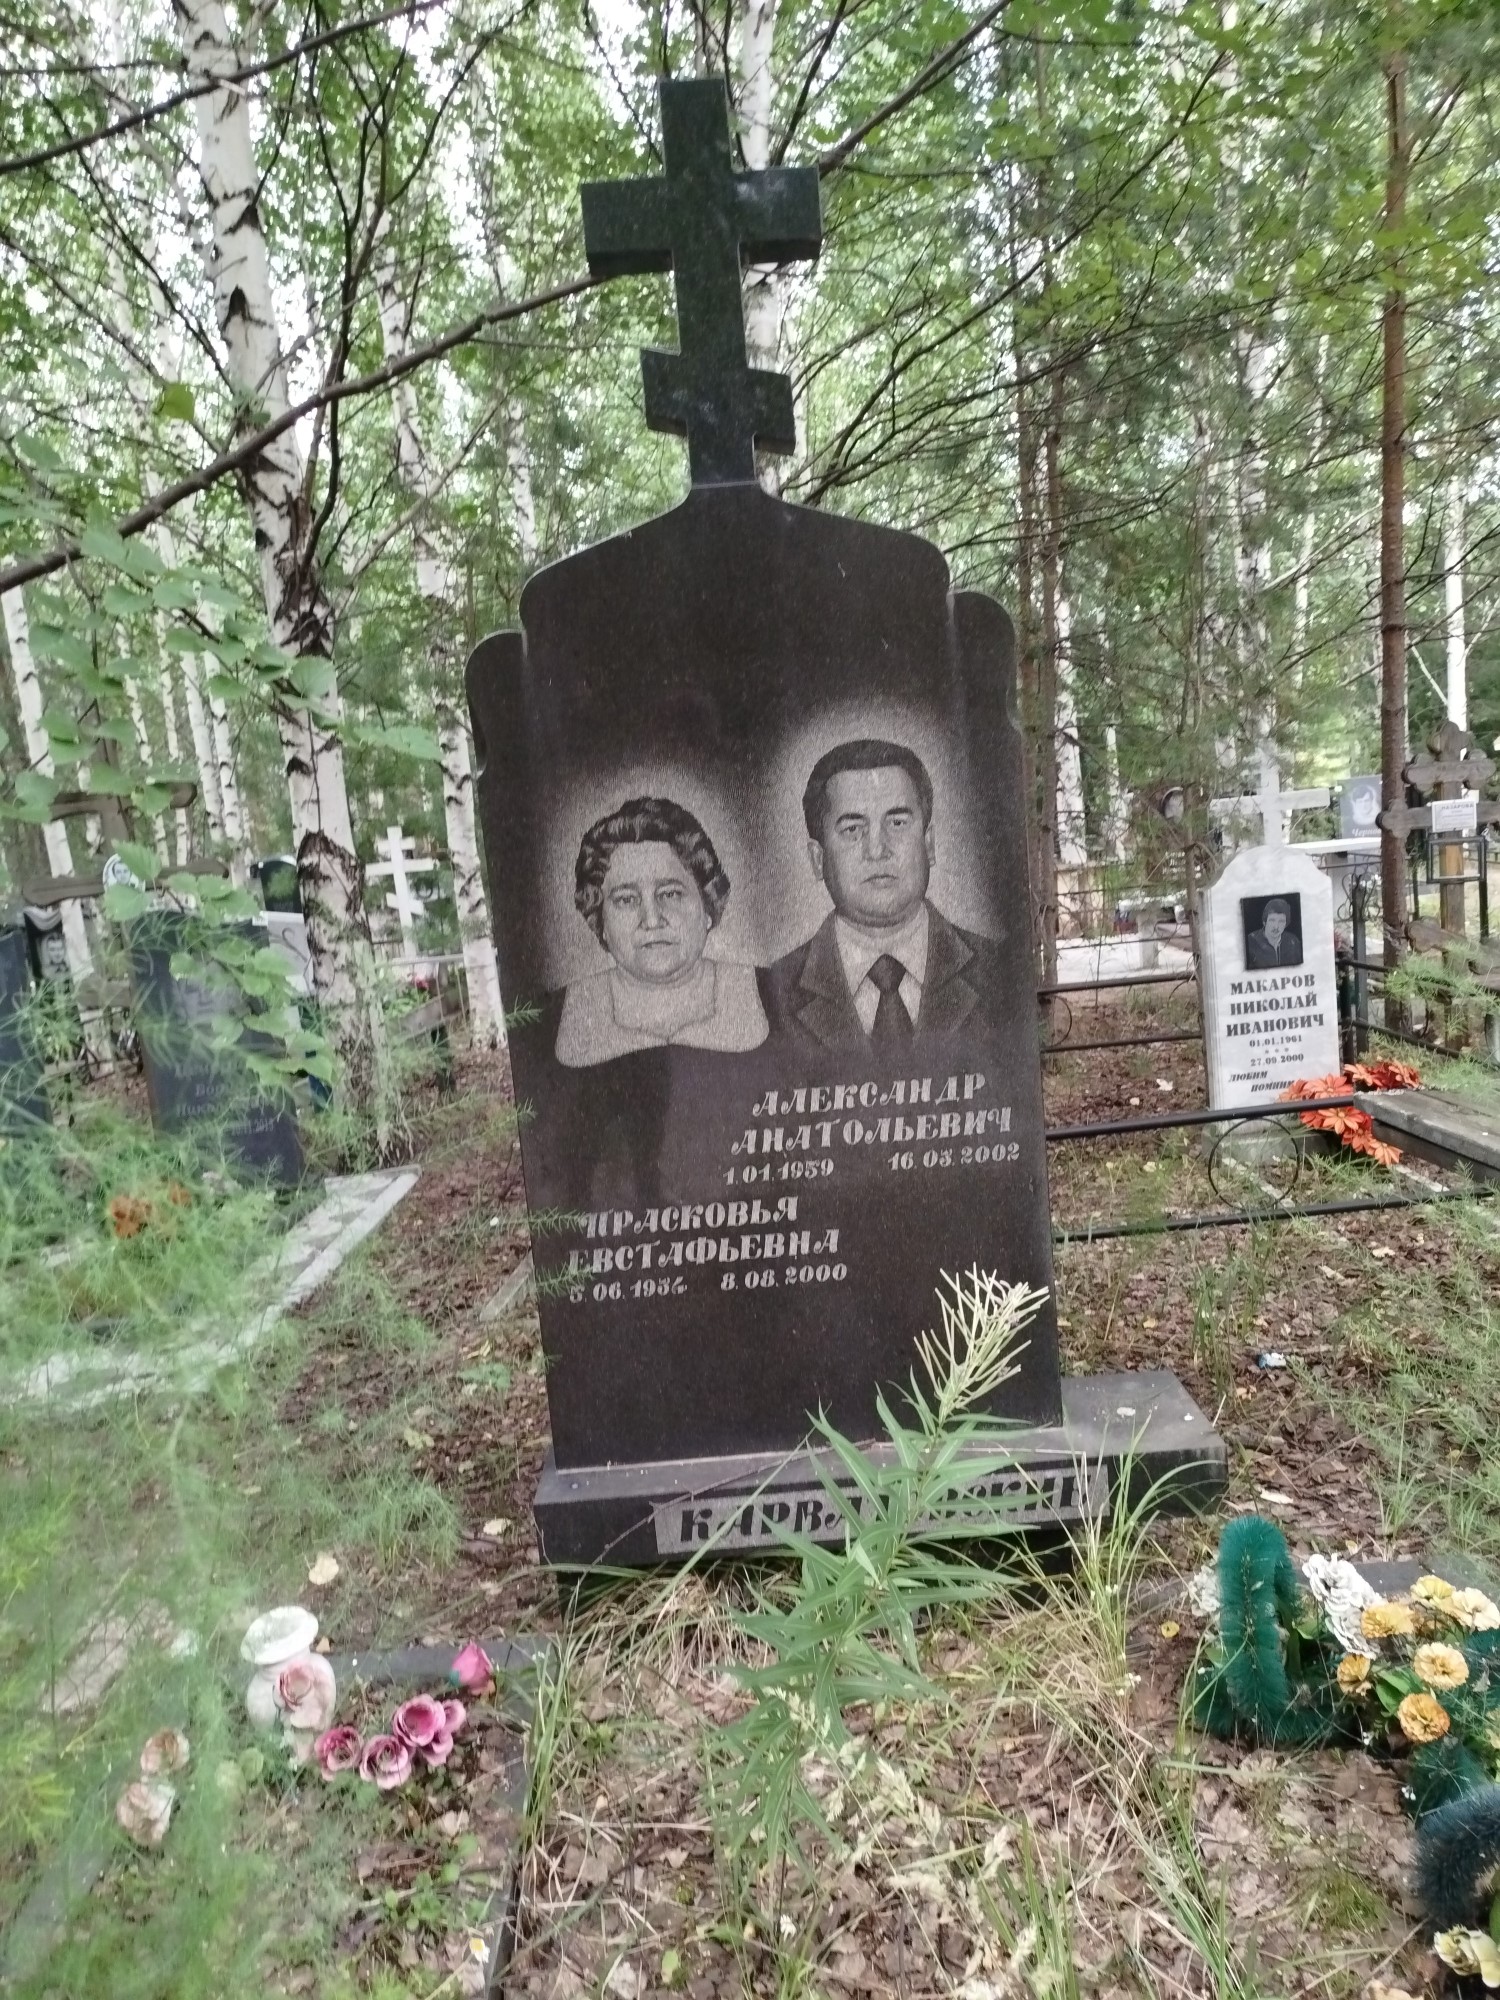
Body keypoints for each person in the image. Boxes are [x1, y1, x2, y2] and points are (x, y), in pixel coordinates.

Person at [760, 738, 1001, 1050]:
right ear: (818, 859)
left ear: (929, 844)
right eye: (852, 829)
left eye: (897, 823)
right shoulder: (768, 996)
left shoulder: (999, 970)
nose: (877, 850)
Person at [554, 796, 767, 1066]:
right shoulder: (548, 1020)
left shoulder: (775, 997)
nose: (652, 920)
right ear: (600, 921)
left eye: (670, 894)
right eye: (626, 899)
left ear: (707, 905)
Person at [1244, 896, 1302, 969]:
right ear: (1264, 922)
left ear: (1286, 924)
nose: (1276, 926)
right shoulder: (1250, 942)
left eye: (1281, 921)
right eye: (1272, 920)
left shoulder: (1293, 942)